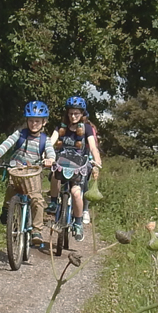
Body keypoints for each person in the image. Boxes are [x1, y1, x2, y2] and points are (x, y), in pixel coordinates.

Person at [0, 101, 58, 248]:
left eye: (37, 121)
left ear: (44, 122)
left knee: (37, 200)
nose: (33, 124)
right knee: (11, 190)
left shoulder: (45, 139)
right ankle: (6, 209)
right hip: (16, 171)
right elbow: (6, 144)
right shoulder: (19, 134)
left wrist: (50, 160)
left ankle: (36, 231)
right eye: (31, 120)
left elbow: (51, 152)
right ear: (26, 120)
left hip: (33, 174)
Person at [47, 96, 102, 241]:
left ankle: (78, 223)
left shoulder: (87, 129)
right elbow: (50, 142)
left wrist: (97, 162)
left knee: (76, 193)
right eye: (71, 113)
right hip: (61, 163)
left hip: (79, 165)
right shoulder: (60, 128)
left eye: (76, 113)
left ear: (82, 113)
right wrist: (44, 155)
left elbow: (93, 147)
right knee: (54, 175)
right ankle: (53, 203)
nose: (73, 116)